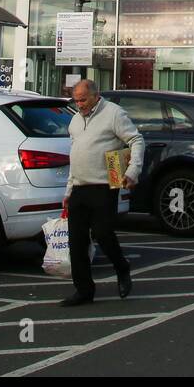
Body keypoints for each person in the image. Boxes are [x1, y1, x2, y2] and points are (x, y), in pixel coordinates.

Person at [60, 79, 145, 307]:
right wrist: (68, 190)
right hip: (79, 186)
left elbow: (136, 140)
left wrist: (132, 170)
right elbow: (74, 155)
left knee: (102, 232)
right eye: (76, 100)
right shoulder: (75, 121)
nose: (79, 104)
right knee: (76, 241)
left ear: (96, 96)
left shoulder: (114, 113)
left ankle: (122, 267)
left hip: (105, 184)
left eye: (83, 100)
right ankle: (84, 291)